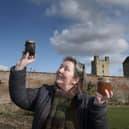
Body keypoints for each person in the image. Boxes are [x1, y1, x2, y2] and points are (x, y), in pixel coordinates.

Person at [9, 52, 113, 129]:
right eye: (60, 67)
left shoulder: (87, 103)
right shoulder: (44, 93)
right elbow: (20, 97)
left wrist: (99, 107)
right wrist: (20, 66)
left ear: (75, 80)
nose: (59, 70)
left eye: (66, 69)